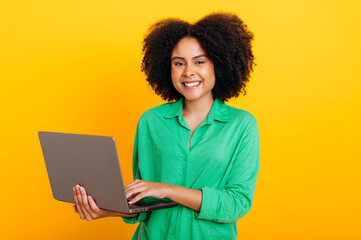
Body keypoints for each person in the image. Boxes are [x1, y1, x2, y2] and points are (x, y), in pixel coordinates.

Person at [72, 12, 260, 240]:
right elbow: (144, 202)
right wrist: (104, 209)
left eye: (199, 61)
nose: (188, 72)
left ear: (218, 65)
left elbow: (236, 203)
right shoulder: (151, 122)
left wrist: (168, 189)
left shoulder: (241, 125)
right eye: (178, 63)